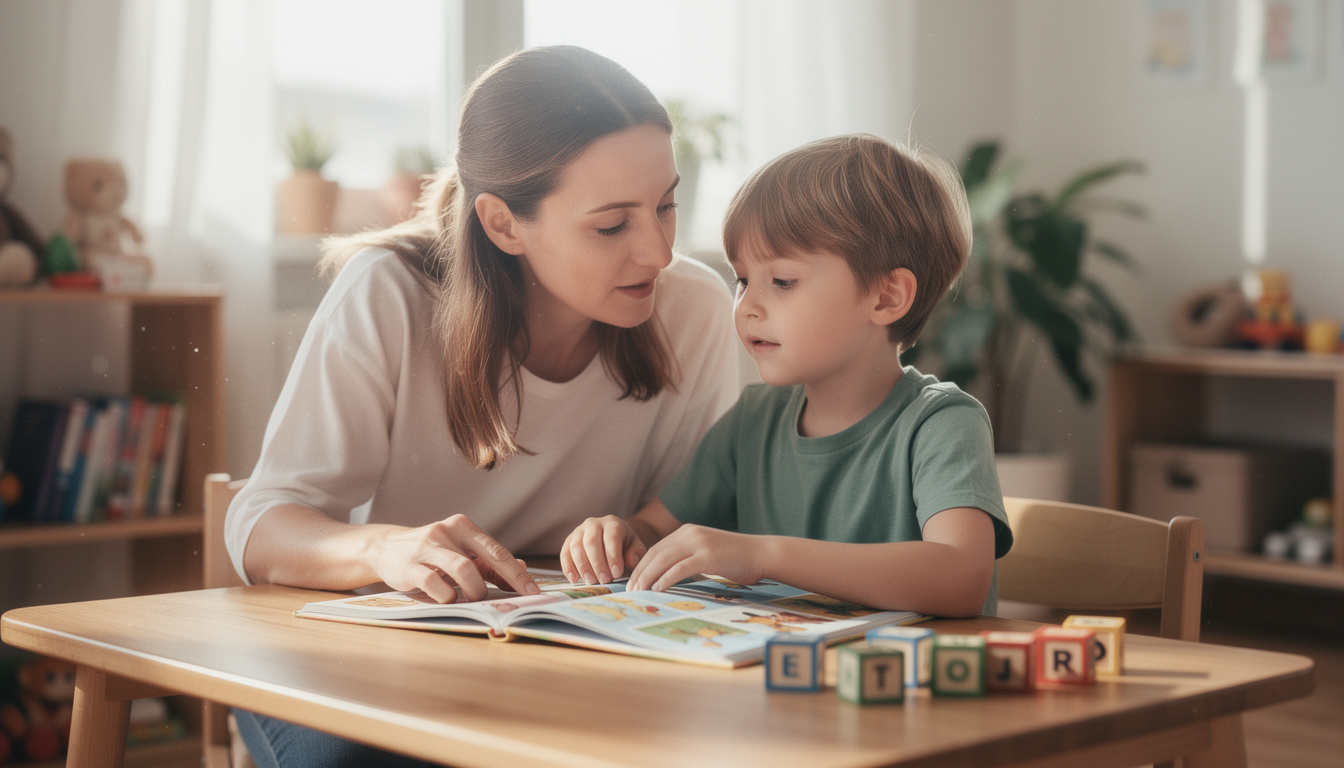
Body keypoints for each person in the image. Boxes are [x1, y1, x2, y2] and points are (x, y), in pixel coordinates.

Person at [224, 45, 741, 767]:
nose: (657, 252)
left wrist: (632, 532)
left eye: (667, 205)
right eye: (612, 225)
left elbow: (697, 508)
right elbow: (259, 526)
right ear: (503, 224)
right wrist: (386, 546)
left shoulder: (695, 310)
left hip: (563, 646)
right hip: (373, 646)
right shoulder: (391, 295)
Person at [561, 134, 1013, 618]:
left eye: (782, 281)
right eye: (742, 279)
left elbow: (960, 576)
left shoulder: (943, 424)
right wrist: (617, 535)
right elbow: (655, 528)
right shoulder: (754, 421)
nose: (748, 306)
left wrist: (764, 555)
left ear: (886, 298)